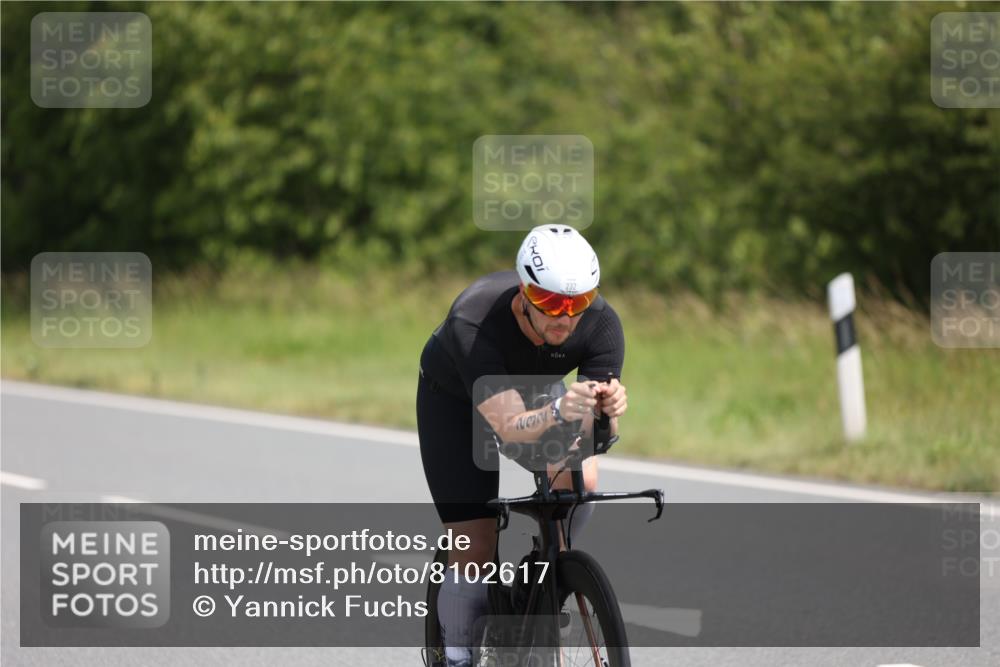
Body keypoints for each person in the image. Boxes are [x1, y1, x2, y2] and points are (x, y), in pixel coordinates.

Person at [416, 225, 628, 667]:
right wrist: (559, 411)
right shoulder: (473, 320)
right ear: (524, 293)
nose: (565, 318)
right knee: (475, 544)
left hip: (532, 391)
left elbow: (590, 434)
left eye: (578, 303)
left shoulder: (602, 325)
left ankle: (544, 582)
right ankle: (455, 655)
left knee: (581, 480)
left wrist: (606, 410)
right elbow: (510, 428)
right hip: (455, 399)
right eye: (551, 302)